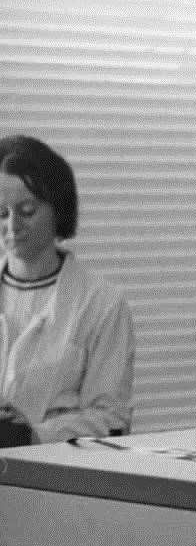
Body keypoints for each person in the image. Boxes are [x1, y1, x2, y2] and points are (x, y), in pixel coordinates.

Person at [0, 135, 134, 444]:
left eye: (27, 210)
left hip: (53, 479)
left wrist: (33, 435)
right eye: (2, 213)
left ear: (58, 209)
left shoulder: (103, 304)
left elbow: (113, 421)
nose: (12, 226)